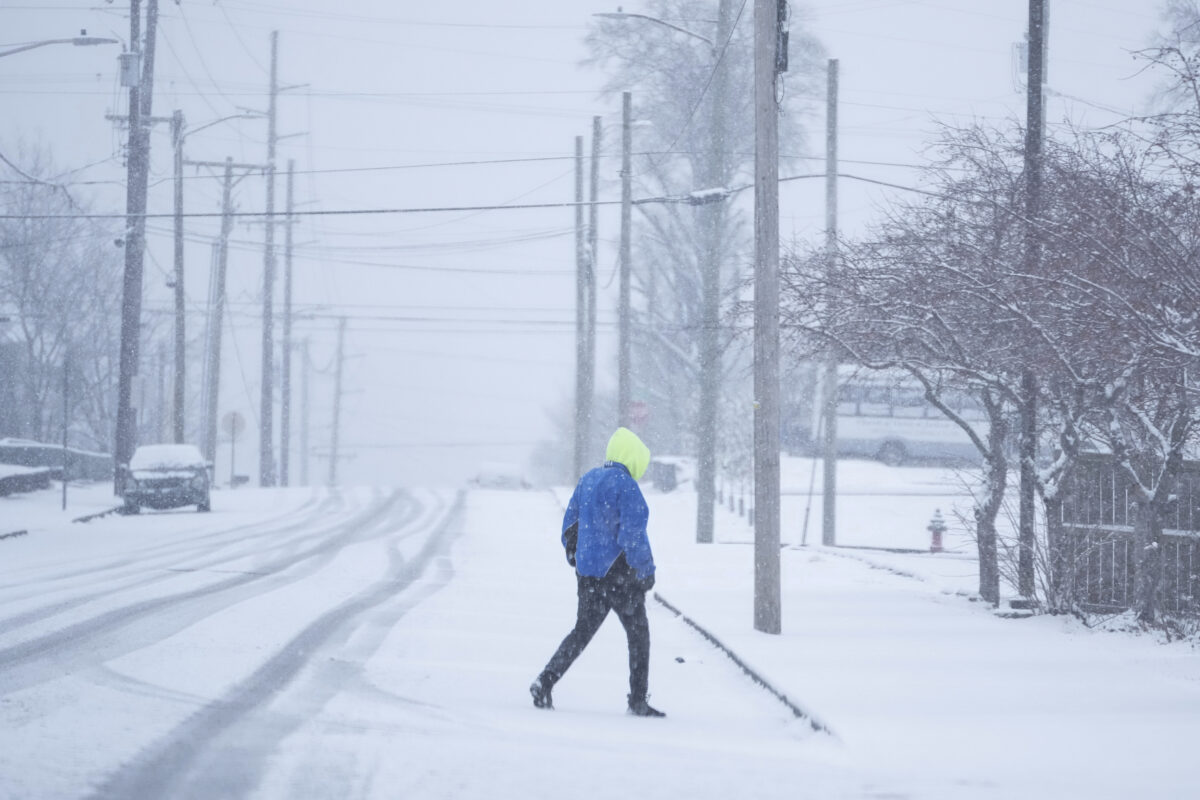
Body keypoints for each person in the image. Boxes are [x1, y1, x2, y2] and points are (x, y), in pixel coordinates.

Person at [529, 427, 665, 717]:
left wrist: (574, 553)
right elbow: (633, 536)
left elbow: (570, 524)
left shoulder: (588, 480)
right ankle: (637, 700)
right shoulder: (627, 487)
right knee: (638, 635)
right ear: (633, 458)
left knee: (581, 632)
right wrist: (645, 571)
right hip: (621, 575)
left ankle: (545, 680)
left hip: (588, 575)